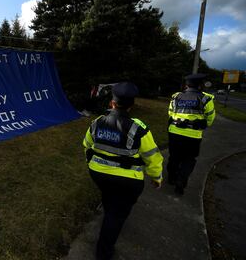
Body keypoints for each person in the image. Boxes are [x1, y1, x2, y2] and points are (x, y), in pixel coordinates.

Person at [82, 82, 163, 260]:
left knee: (110, 197)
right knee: (116, 216)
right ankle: (103, 252)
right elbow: (153, 157)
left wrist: (91, 164)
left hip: (99, 174)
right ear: (131, 106)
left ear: (112, 103)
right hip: (127, 181)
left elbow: (87, 146)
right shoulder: (138, 128)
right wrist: (156, 177)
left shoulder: (97, 123)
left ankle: (109, 207)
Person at [167, 73, 215, 195]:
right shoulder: (206, 99)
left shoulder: (176, 97)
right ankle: (181, 181)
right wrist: (202, 125)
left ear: (187, 85)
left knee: (174, 157)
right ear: (200, 85)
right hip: (193, 135)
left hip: (175, 132)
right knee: (189, 159)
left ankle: (171, 178)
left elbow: (170, 113)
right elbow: (210, 118)